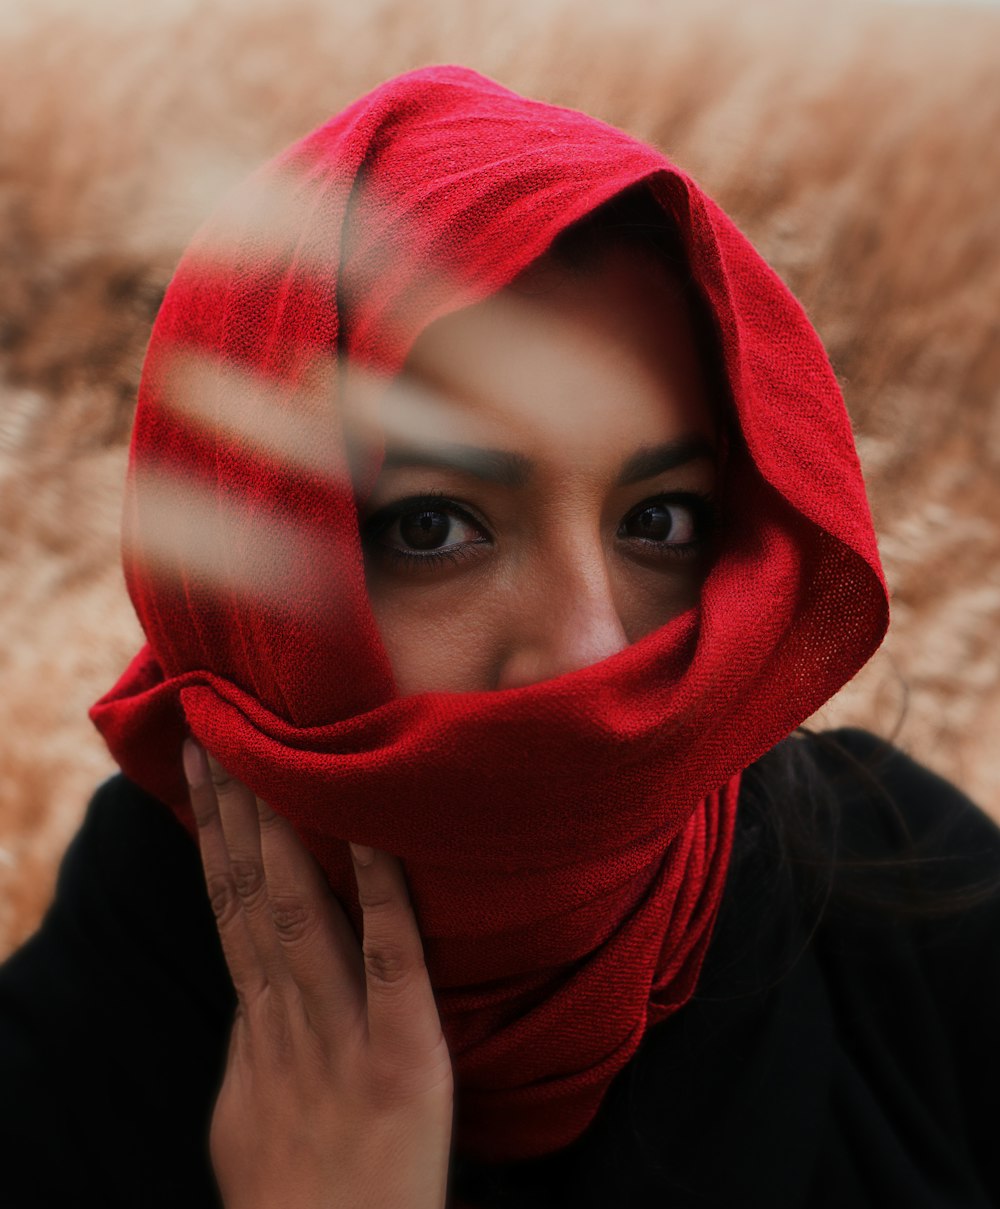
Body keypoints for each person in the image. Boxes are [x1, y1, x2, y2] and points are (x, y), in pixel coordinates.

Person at [1, 65, 998, 1209]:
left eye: (658, 521)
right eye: (435, 527)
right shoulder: (123, 991)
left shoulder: (908, 898)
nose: (590, 651)